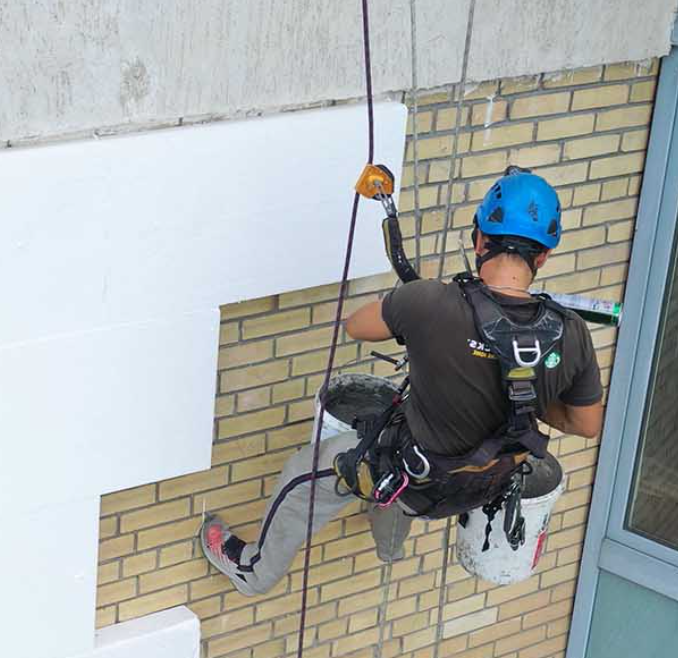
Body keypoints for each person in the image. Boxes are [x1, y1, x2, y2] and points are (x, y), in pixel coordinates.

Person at [200, 168, 607, 596]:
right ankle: (389, 543)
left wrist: (418, 311)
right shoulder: (570, 330)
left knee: (304, 475)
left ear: (480, 240)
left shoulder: (431, 302)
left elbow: (356, 326)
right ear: (543, 257)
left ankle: (254, 573)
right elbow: (585, 424)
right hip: (483, 484)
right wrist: (520, 391)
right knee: (407, 431)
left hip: (420, 479)